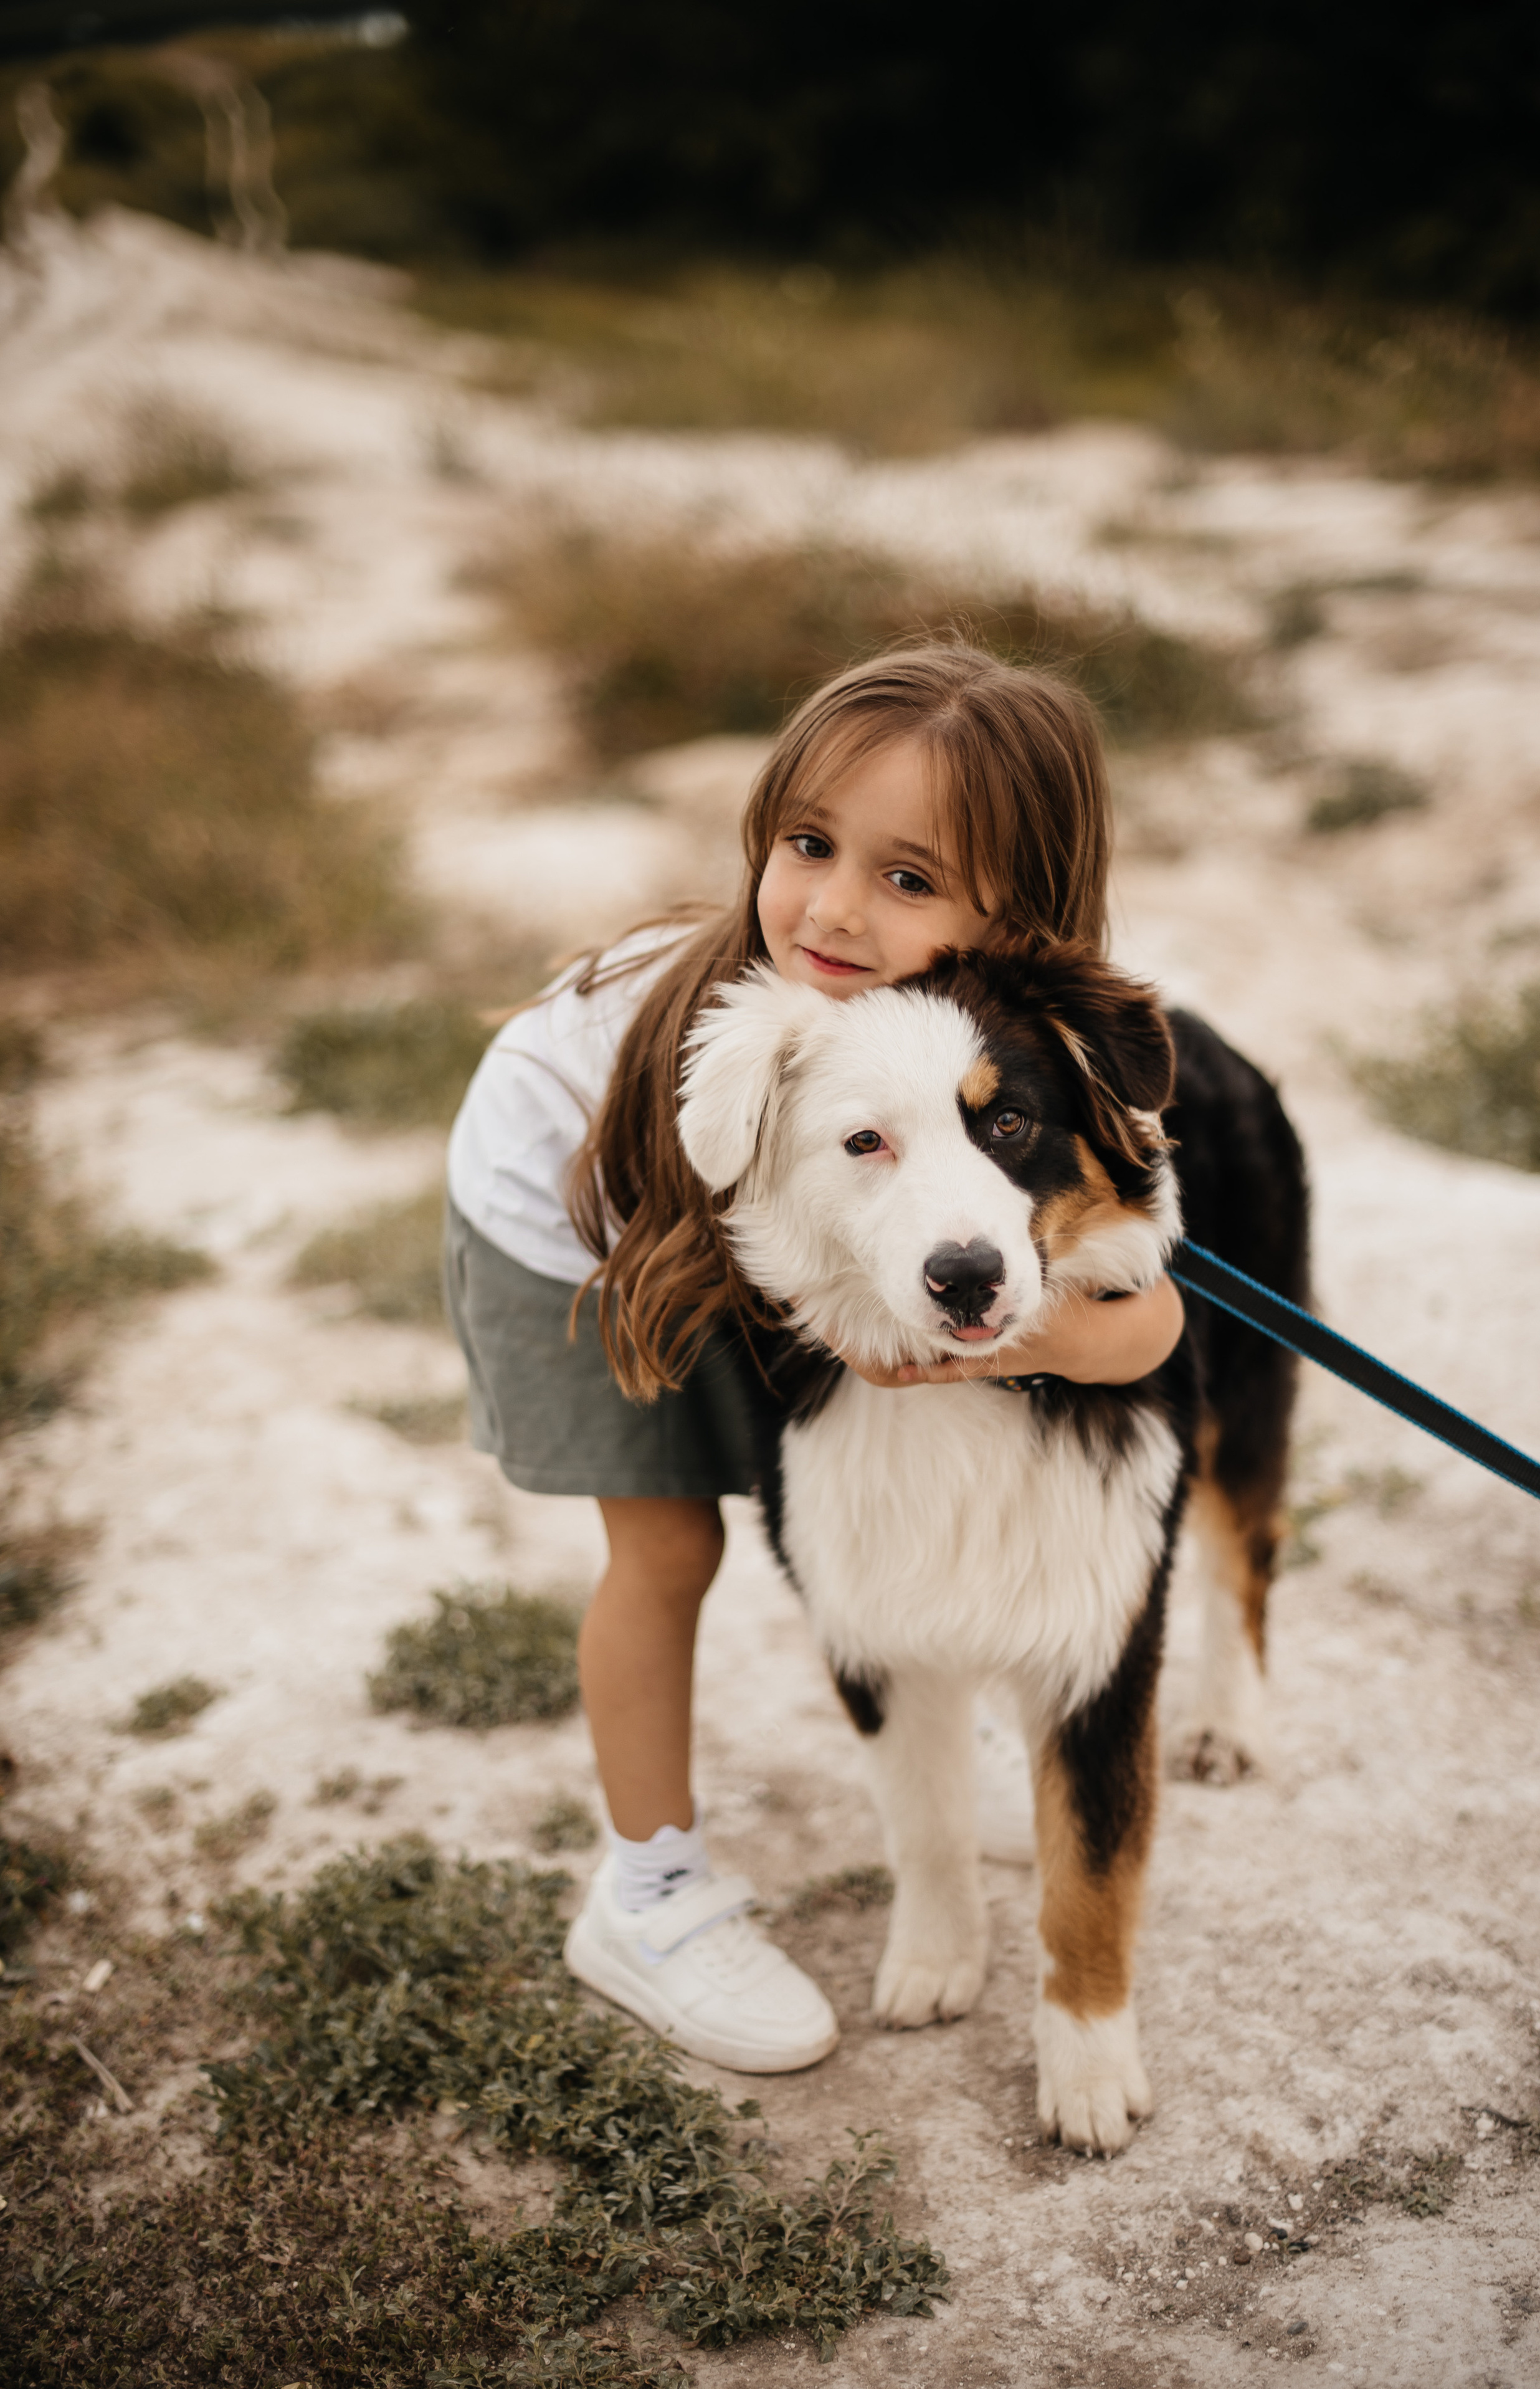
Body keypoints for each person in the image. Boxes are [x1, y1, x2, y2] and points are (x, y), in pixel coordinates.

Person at [444, 641, 1186, 2074]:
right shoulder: (740, 1039)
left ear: (1003, 920)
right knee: (667, 1548)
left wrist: (992, 1345)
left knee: (880, 1470)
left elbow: (1144, 1325)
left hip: (802, 1253)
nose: (834, 910)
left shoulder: (1015, 1047)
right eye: (806, 844)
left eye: (907, 879)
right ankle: (650, 1897)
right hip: (573, 1221)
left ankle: (944, 1736)